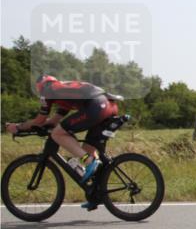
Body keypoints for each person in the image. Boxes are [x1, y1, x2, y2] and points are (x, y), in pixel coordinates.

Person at [5, 75, 119, 210]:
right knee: (87, 148)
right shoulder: (63, 95)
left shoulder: (48, 90)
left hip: (97, 106)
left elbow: (40, 120)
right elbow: (52, 121)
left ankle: (89, 161)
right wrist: (34, 128)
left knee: (58, 133)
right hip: (108, 106)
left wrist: (17, 127)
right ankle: (96, 194)